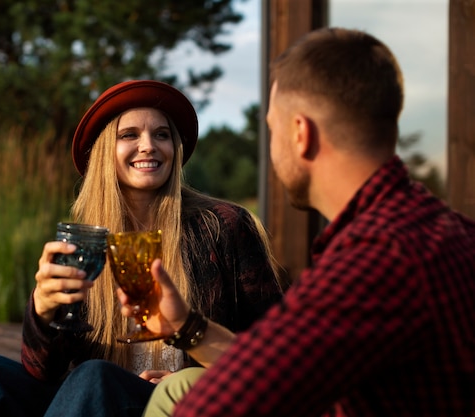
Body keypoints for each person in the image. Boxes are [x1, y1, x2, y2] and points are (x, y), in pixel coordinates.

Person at [119, 28, 475, 417]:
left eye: (272, 129)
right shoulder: (447, 228)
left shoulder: (373, 261)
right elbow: (267, 364)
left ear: (301, 133)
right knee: (183, 384)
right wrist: (187, 326)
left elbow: (220, 405)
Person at [0, 80, 283, 417]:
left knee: (94, 375)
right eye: (129, 134)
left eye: (162, 135)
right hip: (94, 401)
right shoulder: (87, 242)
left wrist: (186, 377)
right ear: (103, 153)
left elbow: (273, 346)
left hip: (175, 401)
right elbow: (42, 372)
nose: (148, 145)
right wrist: (43, 314)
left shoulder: (222, 225)